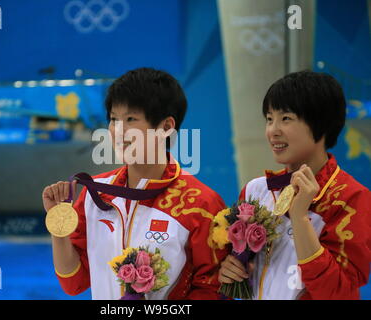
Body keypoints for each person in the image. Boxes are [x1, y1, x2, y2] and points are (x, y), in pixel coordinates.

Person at [43, 67, 227, 300]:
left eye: (131, 119)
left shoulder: (200, 204)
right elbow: (74, 284)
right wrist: (58, 227)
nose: (118, 131)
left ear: (166, 127)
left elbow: (213, 291)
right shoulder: (95, 194)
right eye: (113, 119)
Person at [218, 70, 370, 300]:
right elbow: (241, 271)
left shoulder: (351, 198)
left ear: (322, 124)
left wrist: (299, 218)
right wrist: (231, 269)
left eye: (286, 118)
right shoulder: (255, 190)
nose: (273, 131)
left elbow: (337, 292)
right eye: (269, 119)